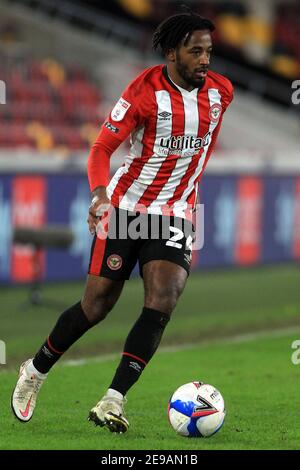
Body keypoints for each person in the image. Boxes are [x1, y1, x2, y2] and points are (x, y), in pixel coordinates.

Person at [11, 10, 233, 433]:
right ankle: (34, 372)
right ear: (172, 53)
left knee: (163, 298)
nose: (205, 59)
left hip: (175, 213)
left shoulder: (222, 93)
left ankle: (113, 400)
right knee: (96, 306)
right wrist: (99, 197)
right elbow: (101, 148)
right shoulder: (144, 92)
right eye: (195, 51)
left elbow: (195, 156)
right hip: (127, 209)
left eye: (209, 51)